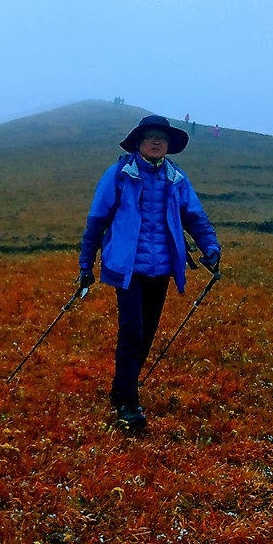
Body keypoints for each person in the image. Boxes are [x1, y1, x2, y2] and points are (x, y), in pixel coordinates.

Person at [78, 113, 220, 432]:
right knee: (132, 331)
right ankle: (128, 403)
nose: (157, 141)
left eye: (162, 137)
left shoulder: (177, 179)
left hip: (162, 268)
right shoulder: (118, 175)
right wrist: (86, 264)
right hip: (126, 269)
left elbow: (195, 217)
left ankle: (121, 389)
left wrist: (211, 247)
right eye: (151, 136)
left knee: (147, 333)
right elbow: (96, 221)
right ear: (139, 142)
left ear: (168, 145)